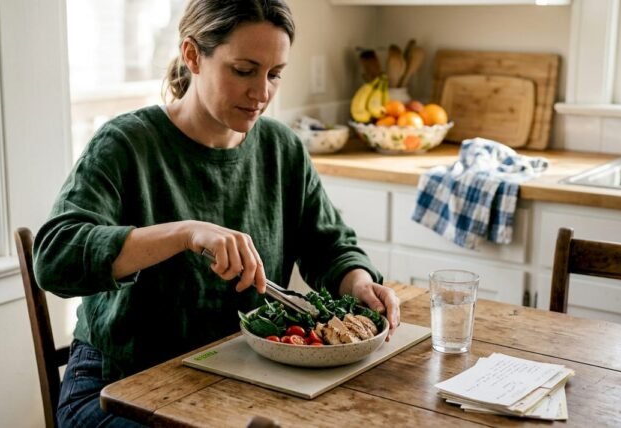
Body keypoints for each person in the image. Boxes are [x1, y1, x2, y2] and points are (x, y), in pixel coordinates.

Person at [34, 0, 400, 426]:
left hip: (237, 372)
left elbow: (330, 245)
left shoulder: (280, 149)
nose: (262, 92)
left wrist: (357, 283)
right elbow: (55, 257)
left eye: (275, 74)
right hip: (117, 384)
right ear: (193, 56)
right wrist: (185, 233)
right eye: (244, 70)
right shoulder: (125, 144)